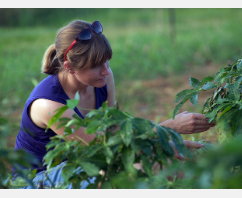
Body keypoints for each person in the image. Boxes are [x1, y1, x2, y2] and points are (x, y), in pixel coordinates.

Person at [13, 20, 215, 189]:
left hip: (85, 159)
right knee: (140, 169)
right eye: (97, 66)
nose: (106, 70)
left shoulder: (102, 79)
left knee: (166, 163)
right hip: (38, 180)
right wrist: (167, 129)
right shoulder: (49, 105)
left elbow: (112, 130)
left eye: (107, 62)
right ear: (69, 67)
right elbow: (104, 149)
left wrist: (160, 144)